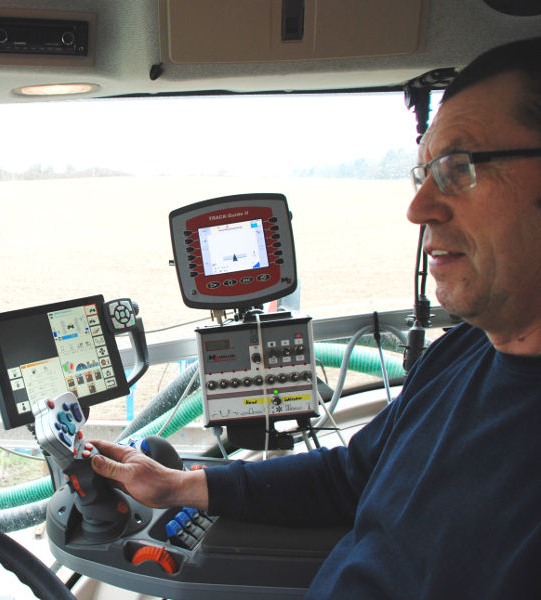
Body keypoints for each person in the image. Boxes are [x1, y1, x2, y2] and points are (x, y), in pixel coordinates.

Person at [91, 36, 541, 599]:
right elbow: (349, 476)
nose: (418, 207)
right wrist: (178, 485)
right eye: (422, 173)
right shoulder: (464, 351)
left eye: (457, 167)